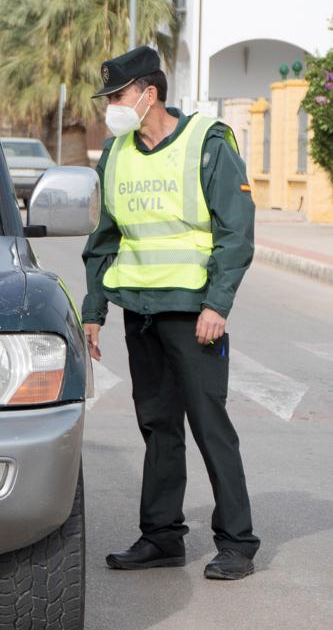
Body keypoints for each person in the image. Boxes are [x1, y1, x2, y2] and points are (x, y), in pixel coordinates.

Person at [82, 47, 259, 581]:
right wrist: (94, 310)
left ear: (149, 94)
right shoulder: (116, 154)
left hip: (193, 312)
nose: (110, 107)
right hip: (141, 310)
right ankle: (161, 537)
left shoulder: (207, 143)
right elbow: (104, 237)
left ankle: (237, 543)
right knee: (158, 425)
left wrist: (217, 304)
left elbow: (235, 231)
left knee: (209, 425)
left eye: (118, 96)